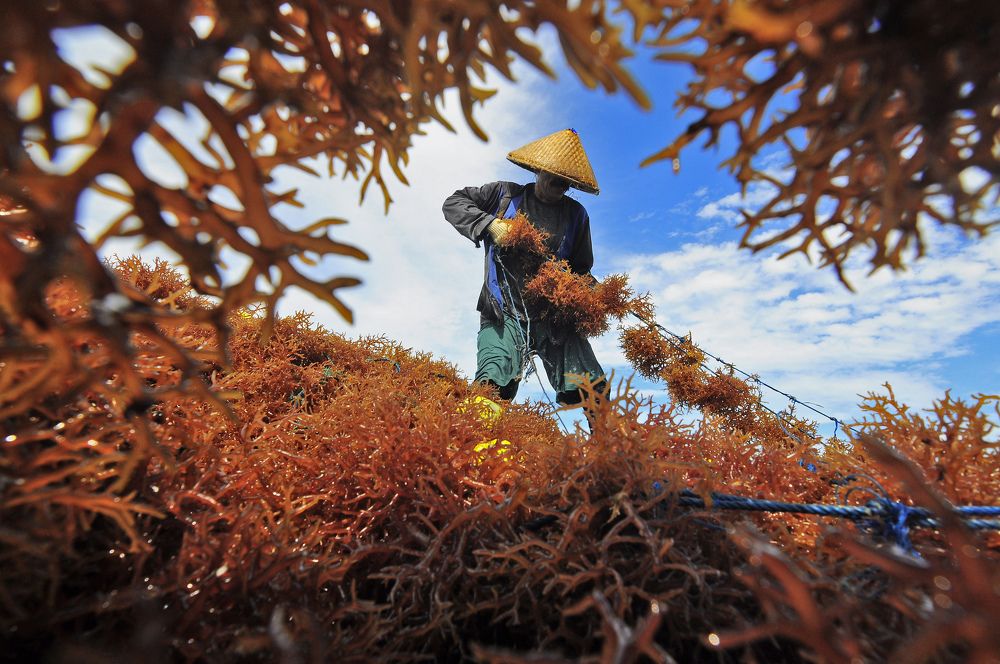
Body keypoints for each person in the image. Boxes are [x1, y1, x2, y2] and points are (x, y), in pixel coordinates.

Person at [442, 128, 606, 411]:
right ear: (538, 171)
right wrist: (489, 224)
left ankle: (609, 449)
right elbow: (454, 203)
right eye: (555, 180)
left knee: (591, 386)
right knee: (493, 380)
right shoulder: (503, 195)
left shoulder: (576, 215)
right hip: (503, 312)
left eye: (566, 184)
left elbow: (580, 268)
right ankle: (475, 444)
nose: (559, 188)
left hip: (553, 317)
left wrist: (595, 292)